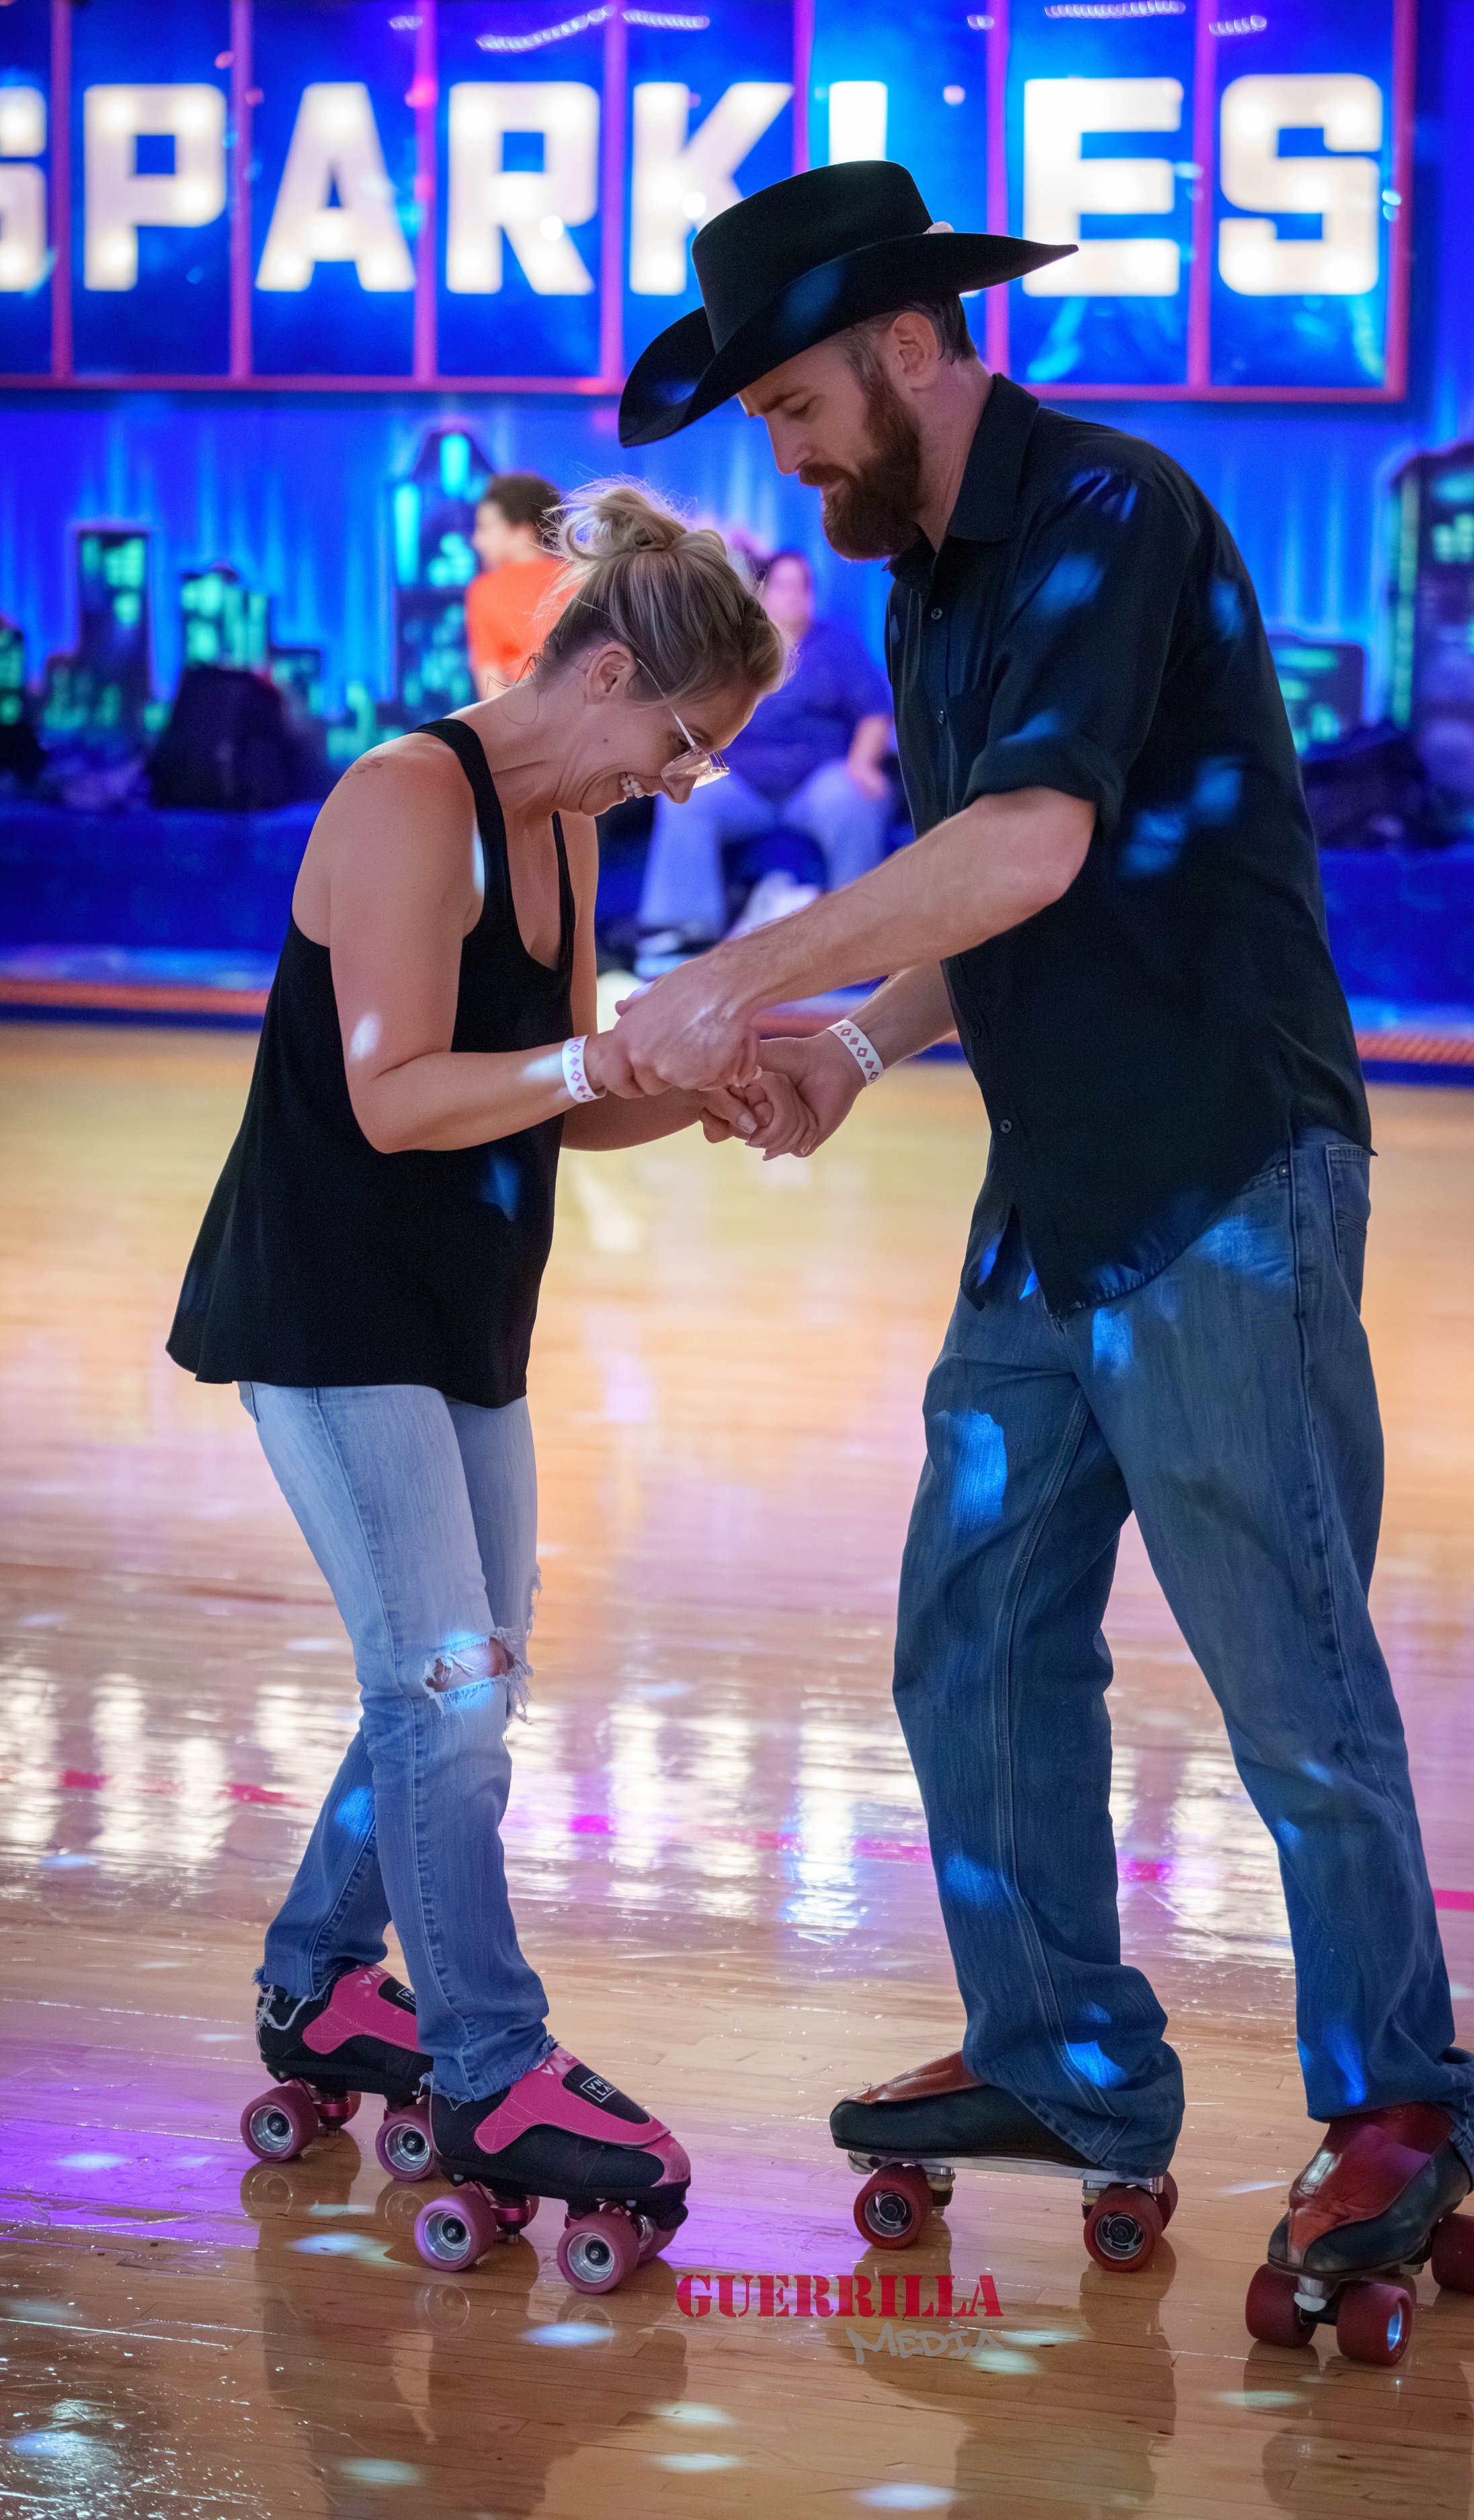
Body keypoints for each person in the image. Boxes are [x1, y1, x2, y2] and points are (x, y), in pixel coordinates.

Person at [604, 163, 1474, 2296]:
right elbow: (990, 895)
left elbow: (1025, 841)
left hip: (1220, 1170)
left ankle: (1392, 2103)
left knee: (1282, 1660)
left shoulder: (1105, 511)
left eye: (792, 404)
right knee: (977, 1631)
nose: (780, 453)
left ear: (907, 345)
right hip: (1052, 1184)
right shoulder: (928, 576)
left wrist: (739, 975)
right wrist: (857, 1044)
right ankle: (1061, 2053)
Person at [168, 482, 810, 2255]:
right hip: (326, 1307)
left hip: (460, 1313)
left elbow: (551, 1099)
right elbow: (395, 1097)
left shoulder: (562, 832)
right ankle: (488, 2062)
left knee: (462, 1685)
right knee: (440, 1690)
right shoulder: (405, 797)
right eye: (680, 742)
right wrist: (611, 1055)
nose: (682, 781)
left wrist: (698, 1085)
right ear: (600, 672)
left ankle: (320, 1979)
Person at [635, 545, 894, 968]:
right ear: (762, 593)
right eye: (782, 586)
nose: (792, 596)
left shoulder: (837, 646)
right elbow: (699, 715)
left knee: (855, 799)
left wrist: (862, 764)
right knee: (685, 798)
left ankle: (855, 935)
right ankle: (681, 933)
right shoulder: (733, 650)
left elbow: (875, 713)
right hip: (742, 780)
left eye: (801, 587)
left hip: (817, 781)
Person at [466, 470, 570, 700]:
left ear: (522, 531)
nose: (477, 541)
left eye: (485, 528)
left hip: (521, 715)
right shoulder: (585, 578)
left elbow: (492, 692)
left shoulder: (486, 591)